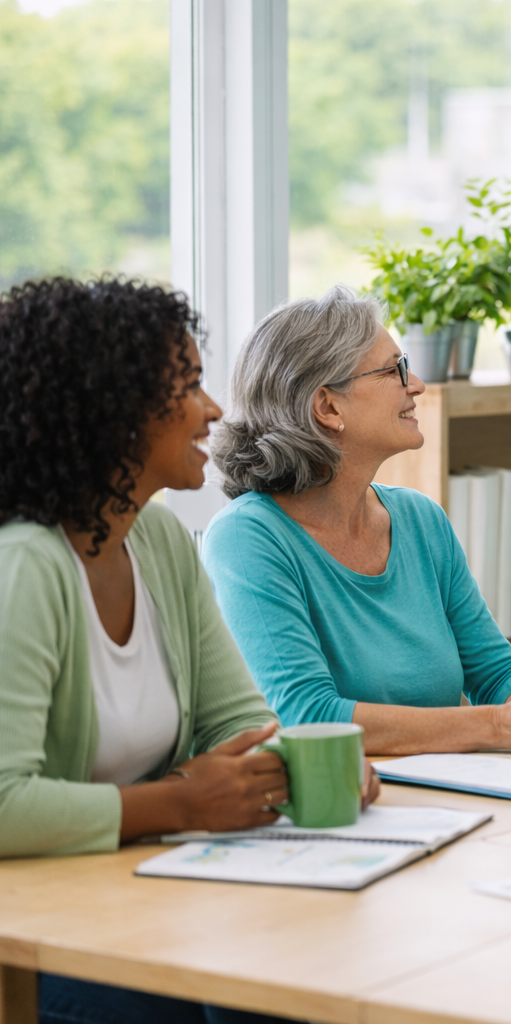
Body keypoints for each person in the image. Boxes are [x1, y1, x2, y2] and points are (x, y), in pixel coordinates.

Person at [0, 277, 370, 1023]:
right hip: (48, 928)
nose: (211, 410)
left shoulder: (162, 539)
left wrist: (311, 769)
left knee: (301, 977)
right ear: (113, 409)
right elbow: (6, 803)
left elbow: (239, 723)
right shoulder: (26, 565)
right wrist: (177, 799)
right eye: (189, 385)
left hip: (153, 886)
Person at [202, 289, 511, 754]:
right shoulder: (246, 537)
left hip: (449, 796)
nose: (415, 384)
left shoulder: (420, 519)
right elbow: (308, 715)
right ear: (327, 407)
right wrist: (501, 726)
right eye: (393, 370)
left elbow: (494, 672)